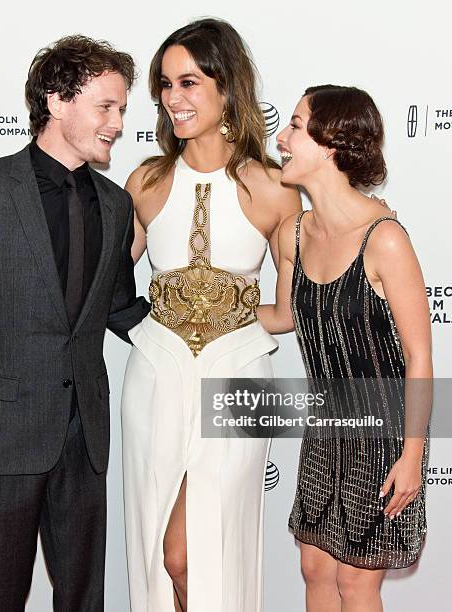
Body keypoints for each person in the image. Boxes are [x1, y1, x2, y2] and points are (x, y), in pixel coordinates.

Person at [0, 35, 149, 612]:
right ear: (57, 101)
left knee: (83, 601)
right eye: (106, 107)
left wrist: (209, 332)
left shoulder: (117, 205)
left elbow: (121, 305)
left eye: (122, 109)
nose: (118, 123)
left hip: (84, 436)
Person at [121, 18, 301, 612]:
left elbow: (294, 307)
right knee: (159, 553)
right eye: (166, 85)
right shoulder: (145, 182)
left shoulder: (274, 188)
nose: (174, 98)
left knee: (194, 552)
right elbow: (101, 283)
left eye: (189, 82)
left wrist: (241, 322)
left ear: (227, 87)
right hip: (156, 375)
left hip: (240, 380)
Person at [259, 85, 430, 611]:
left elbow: (420, 357)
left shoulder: (385, 238)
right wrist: (199, 308)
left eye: (293, 125)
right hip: (325, 427)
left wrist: (414, 454)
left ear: (330, 142)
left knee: (357, 582)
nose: (281, 139)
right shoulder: (294, 233)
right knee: (314, 568)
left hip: (383, 434)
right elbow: (283, 316)